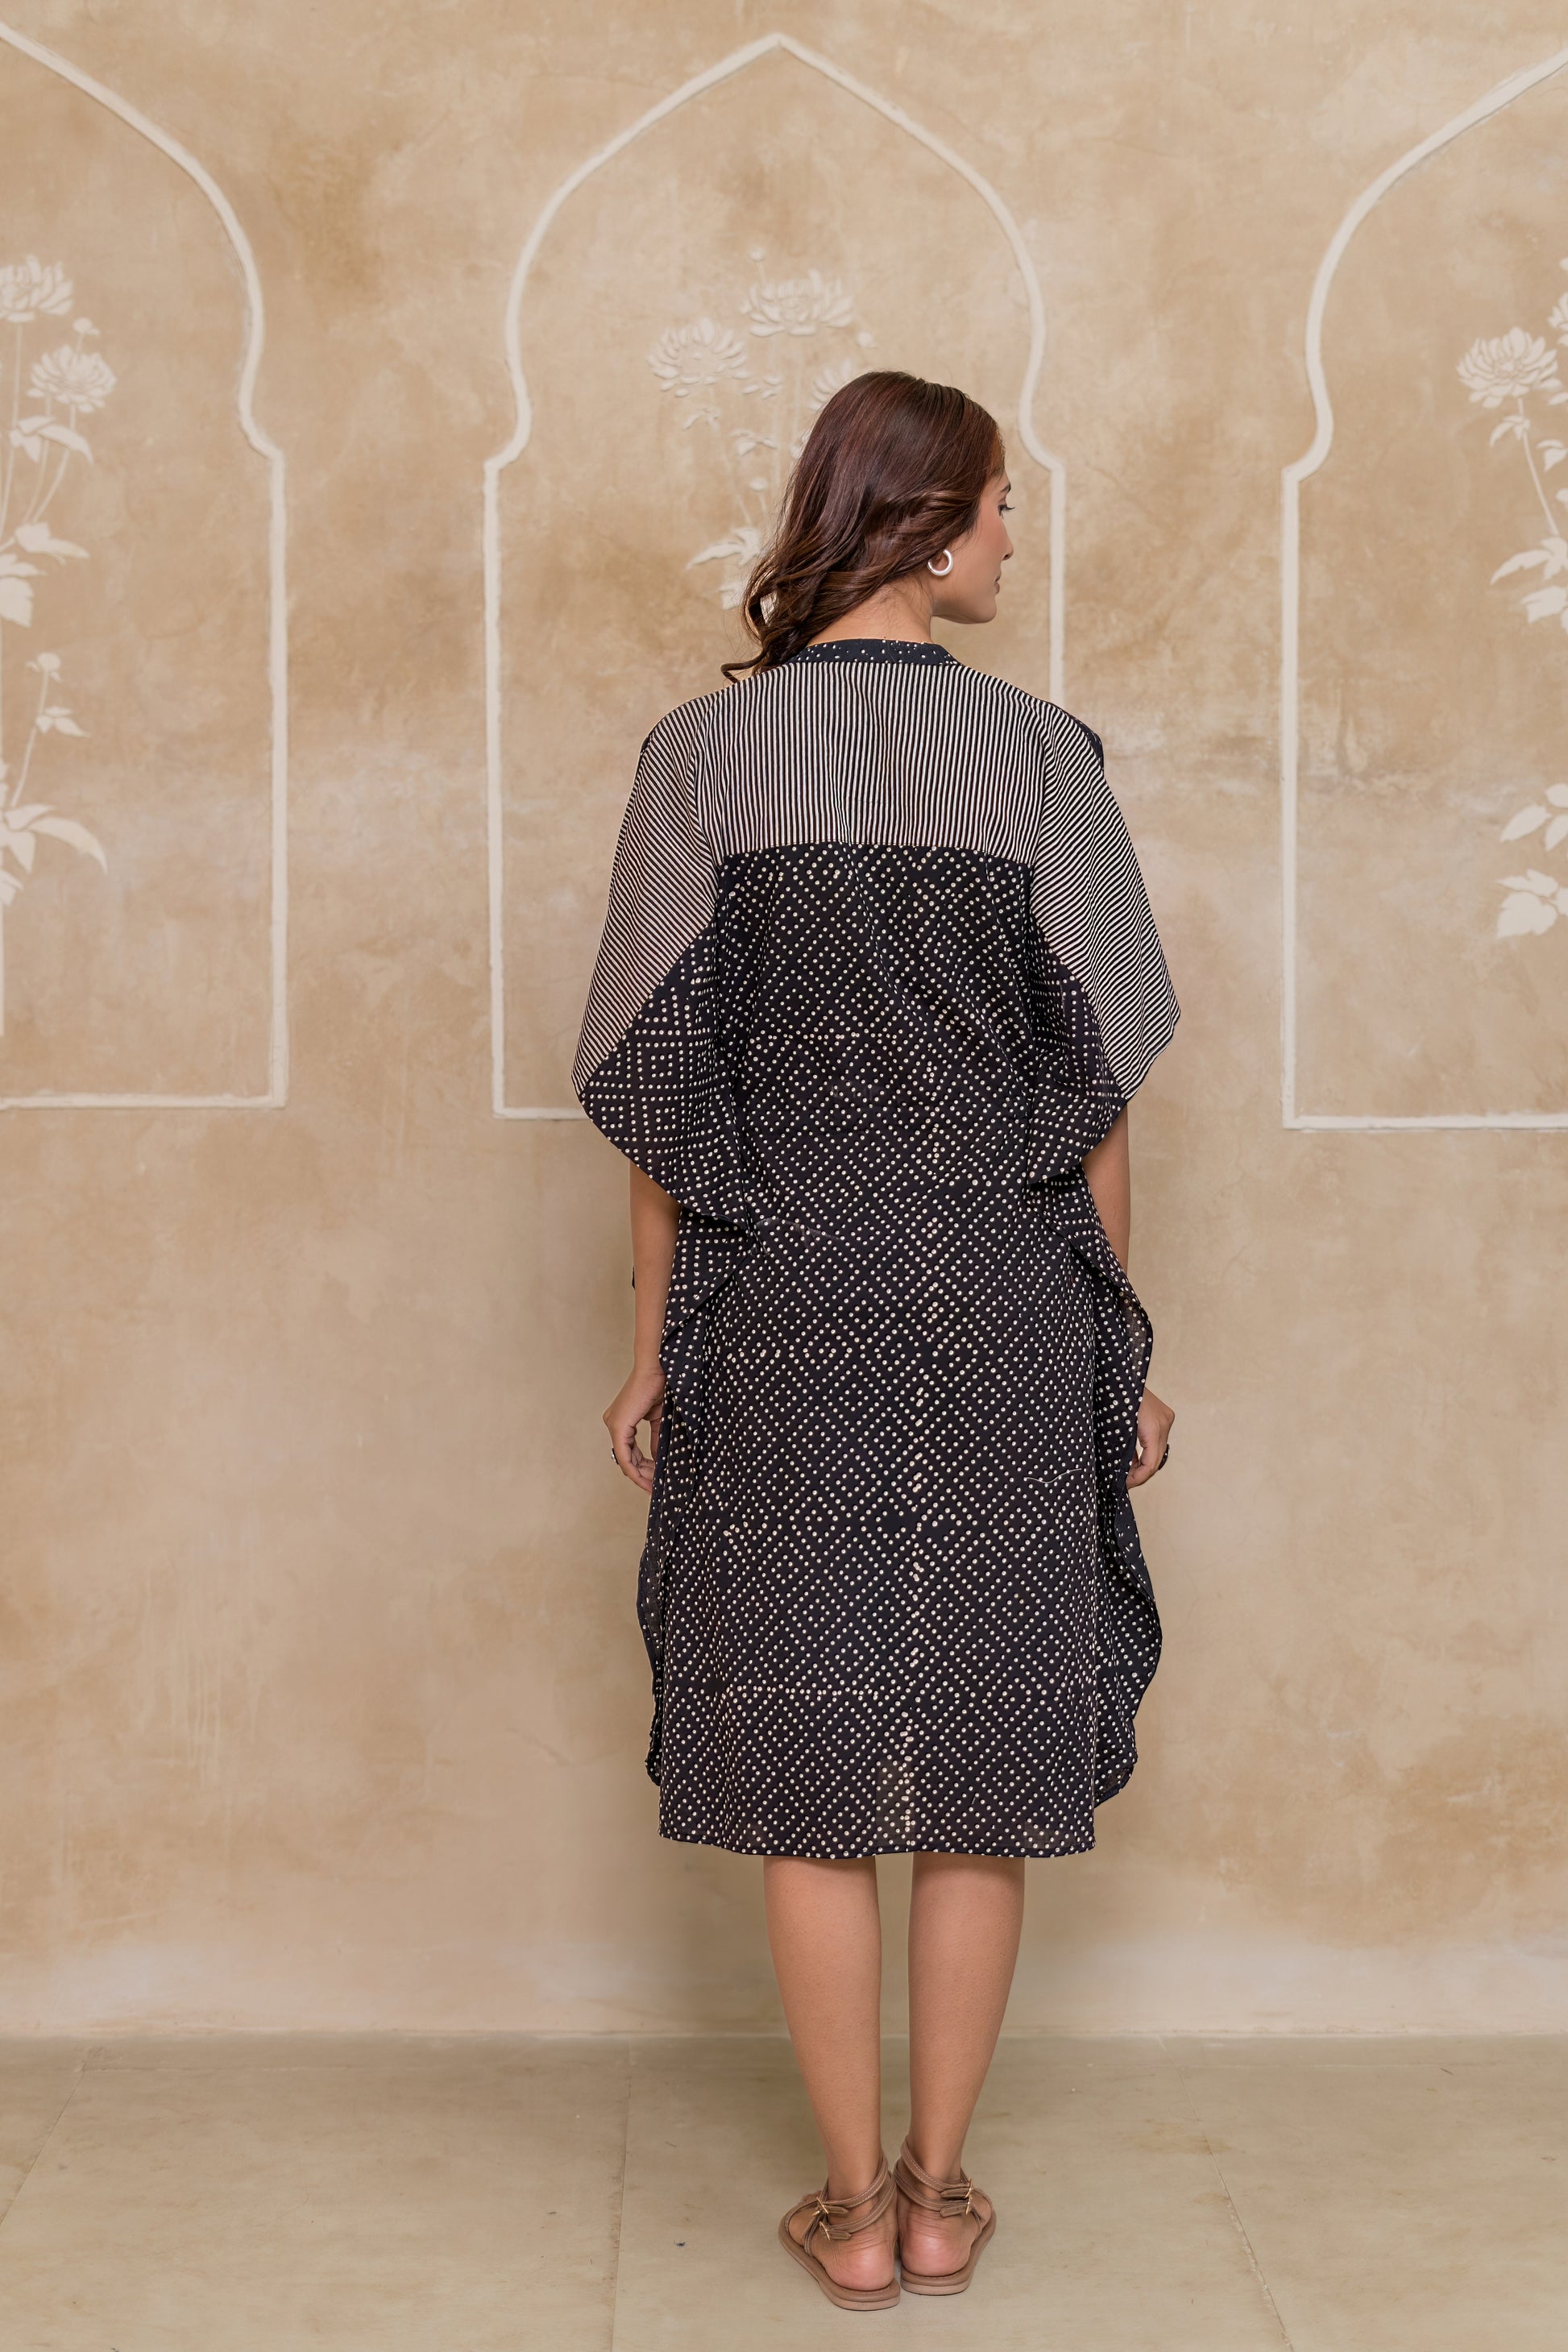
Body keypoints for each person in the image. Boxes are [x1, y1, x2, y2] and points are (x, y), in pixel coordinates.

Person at [571, 370, 1179, 2310]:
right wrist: (1119, 1341)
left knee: (811, 1761)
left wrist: (654, 1343)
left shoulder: (696, 757)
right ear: (927, 521)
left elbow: (659, 1091)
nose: (1013, 538)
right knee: (979, 1755)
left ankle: (844, 2209)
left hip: (782, 1301)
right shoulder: (1042, 756)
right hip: (1003, 1296)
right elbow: (1096, 1083)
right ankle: (939, 2189)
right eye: (1000, 505)